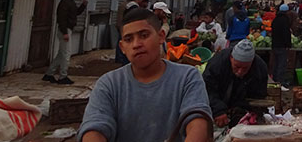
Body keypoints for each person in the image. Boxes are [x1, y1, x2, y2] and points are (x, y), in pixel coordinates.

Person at [78, 8, 212, 142]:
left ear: (161, 37)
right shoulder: (109, 84)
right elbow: (94, 127)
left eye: (144, 35)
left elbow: (198, 123)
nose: (136, 44)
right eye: (129, 39)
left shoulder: (187, 77)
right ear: (122, 47)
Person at [203, 40, 269, 128]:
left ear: (252, 62)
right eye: (237, 66)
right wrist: (218, 110)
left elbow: (259, 95)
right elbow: (207, 89)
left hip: (241, 108)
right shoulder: (217, 64)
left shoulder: (260, 68)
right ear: (231, 58)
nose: (240, 71)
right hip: (216, 106)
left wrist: (252, 113)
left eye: (245, 68)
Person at [43, 0, 87, 85]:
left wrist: (83, 6)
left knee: (61, 54)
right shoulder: (65, 2)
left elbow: (75, 13)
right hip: (65, 30)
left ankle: (49, 73)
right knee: (66, 54)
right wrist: (65, 32)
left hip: (67, 29)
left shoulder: (70, 2)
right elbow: (61, 18)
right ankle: (63, 76)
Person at [271, 4, 292, 88]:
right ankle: (280, 82)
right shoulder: (285, 20)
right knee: (281, 64)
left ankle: (275, 80)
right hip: (282, 45)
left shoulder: (275, 19)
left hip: (275, 44)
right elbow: (286, 33)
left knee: (276, 63)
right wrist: (288, 44)